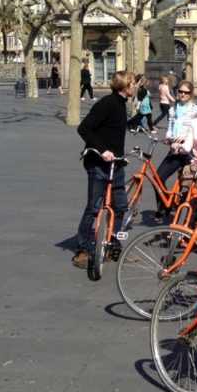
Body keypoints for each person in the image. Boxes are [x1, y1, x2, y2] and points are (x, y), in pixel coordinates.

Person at [72, 70, 136, 268]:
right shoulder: (107, 103)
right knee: (94, 207)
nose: (135, 86)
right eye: (133, 83)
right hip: (99, 163)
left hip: (116, 164)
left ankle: (112, 244)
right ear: (126, 86)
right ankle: (82, 250)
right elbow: (84, 128)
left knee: (120, 207)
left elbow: (114, 131)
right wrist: (102, 150)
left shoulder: (121, 104)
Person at [155, 80, 197, 217]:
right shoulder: (172, 109)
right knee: (158, 177)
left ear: (191, 94)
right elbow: (170, 128)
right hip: (174, 150)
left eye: (186, 92)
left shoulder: (196, 109)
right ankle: (164, 206)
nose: (182, 94)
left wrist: (185, 140)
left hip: (188, 152)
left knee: (186, 185)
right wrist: (169, 138)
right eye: (180, 91)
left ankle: (185, 216)